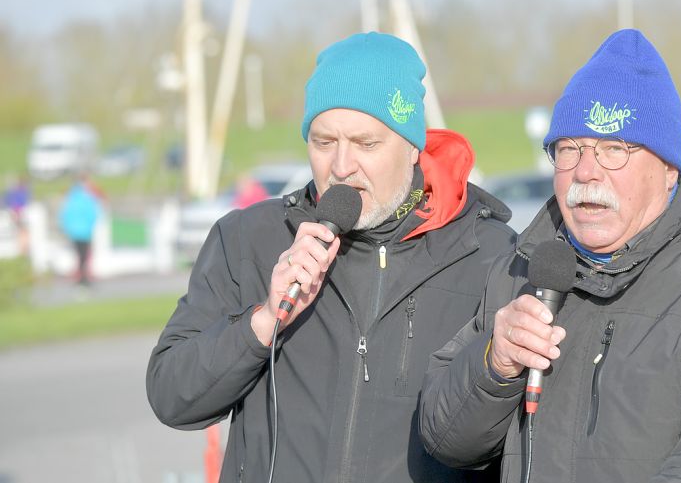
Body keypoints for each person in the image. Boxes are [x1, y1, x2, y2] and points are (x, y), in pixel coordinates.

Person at [419, 29, 681, 482]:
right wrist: (494, 365)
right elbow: (446, 442)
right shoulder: (523, 268)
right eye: (569, 149)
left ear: (667, 169)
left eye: (613, 149)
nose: (586, 170)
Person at [146, 32, 516, 483]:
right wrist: (261, 323)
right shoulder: (248, 238)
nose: (341, 166)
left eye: (366, 144)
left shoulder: (491, 254)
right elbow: (172, 396)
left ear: (413, 145)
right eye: (324, 142)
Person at [58, 174, 102, 285]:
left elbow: (64, 216)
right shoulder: (86, 199)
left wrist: (67, 228)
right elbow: (93, 214)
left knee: (79, 255)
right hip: (85, 232)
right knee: (85, 255)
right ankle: (83, 277)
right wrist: (90, 226)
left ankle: (81, 276)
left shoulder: (70, 201)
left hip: (73, 232)